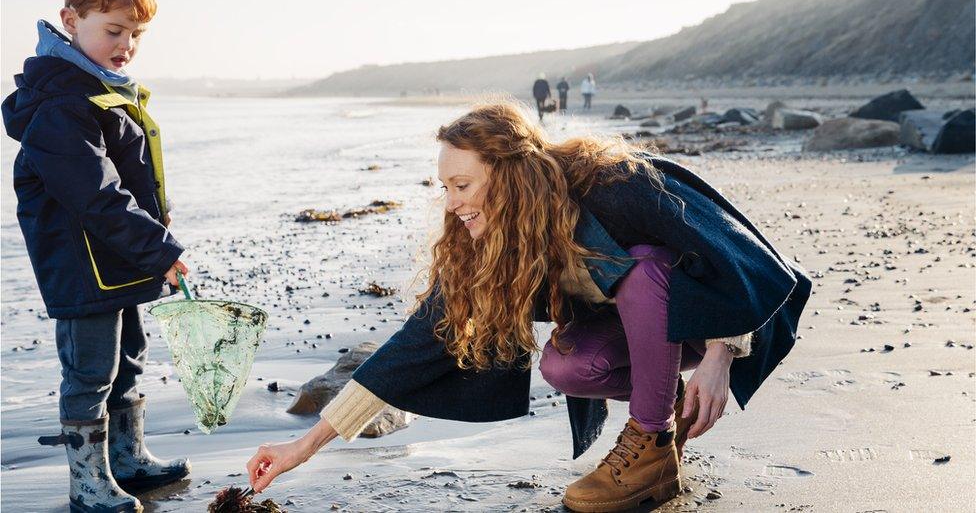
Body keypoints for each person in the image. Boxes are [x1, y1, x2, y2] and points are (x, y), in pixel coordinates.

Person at [245, 103, 810, 512]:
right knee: (565, 366)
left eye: (462, 185)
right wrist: (305, 444)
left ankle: (650, 440)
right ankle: (657, 427)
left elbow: (736, 259)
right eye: (444, 187)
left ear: (510, 174)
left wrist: (720, 355)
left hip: (727, 316)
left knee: (644, 267)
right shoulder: (487, 242)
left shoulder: (615, 186)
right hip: (649, 333)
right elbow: (416, 345)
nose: (453, 203)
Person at [1, 0, 191, 511]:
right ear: (70, 20)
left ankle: (128, 459)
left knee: (130, 356)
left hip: (120, 259)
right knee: (91, 370)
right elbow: (96, 194)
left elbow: (132, 175)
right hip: (81, 266)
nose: (127, 45)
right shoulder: (60, 103)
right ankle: (88, 483)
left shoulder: (103, 88)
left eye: (137, 34)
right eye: (114, 30)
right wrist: (159, 250)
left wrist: (159, 227)